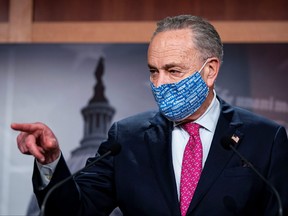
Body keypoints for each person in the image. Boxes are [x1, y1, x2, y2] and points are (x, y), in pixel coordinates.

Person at [11, 15, 288, 216]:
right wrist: (51, 163)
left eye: (173, 70)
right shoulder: (127, 139)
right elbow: (75, 211)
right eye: (153, 71)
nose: (159, 83)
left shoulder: (265, 138)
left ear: (210, 70)